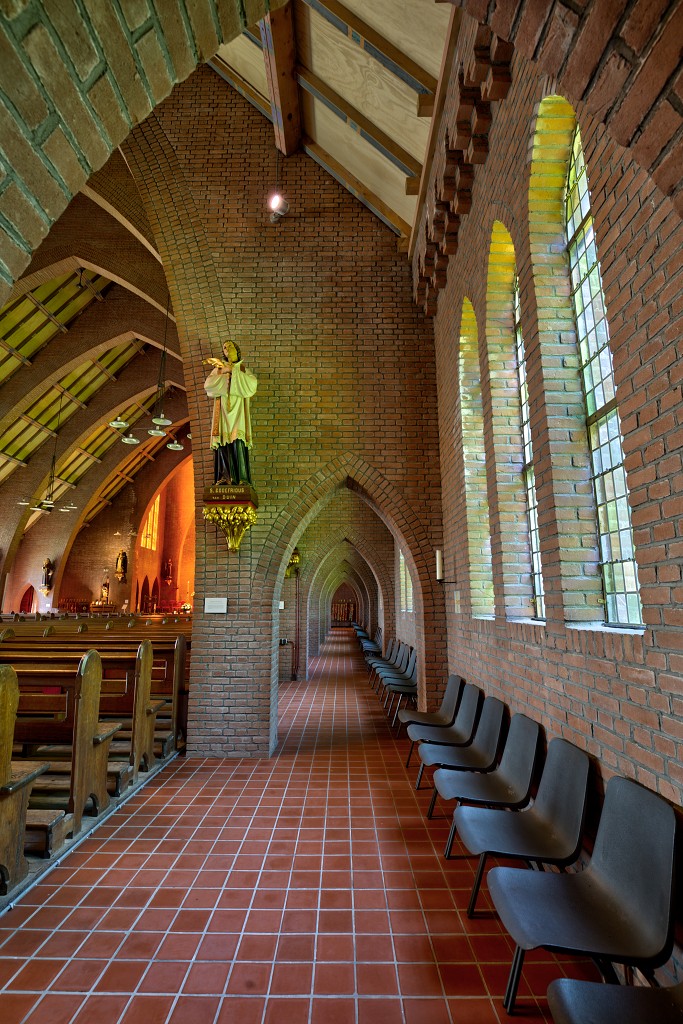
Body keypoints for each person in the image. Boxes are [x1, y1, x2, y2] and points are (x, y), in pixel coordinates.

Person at [204, 340, 257, 485]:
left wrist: (233, 372)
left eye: (230, 346)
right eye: (225, 348)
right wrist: (225, 374)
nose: (227, 349)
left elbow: (252, 386)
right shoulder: (218, 369)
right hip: (222, 414)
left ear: (237, 350)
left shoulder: (243, 369)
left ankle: (242, 478)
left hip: (239, 413)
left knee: (238, 442)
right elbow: (208, 386)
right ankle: (224, 477)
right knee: (223, 442)